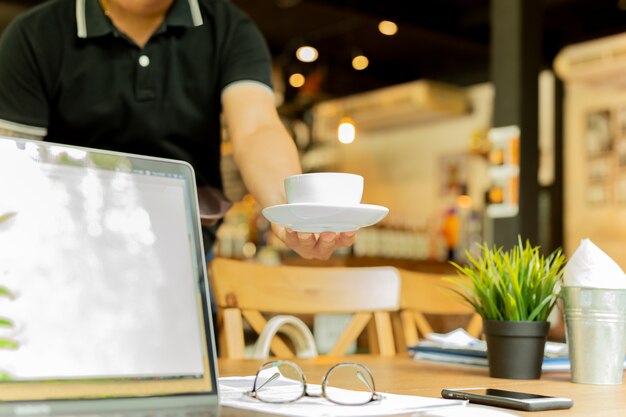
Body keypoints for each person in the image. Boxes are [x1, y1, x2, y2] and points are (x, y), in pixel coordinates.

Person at [0, 0, 355, 260]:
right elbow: (13, 164)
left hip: (185, 256)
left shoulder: (229, 28)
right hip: (63, 257)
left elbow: (257, 128)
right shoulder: (35, 34)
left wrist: (288, 213)